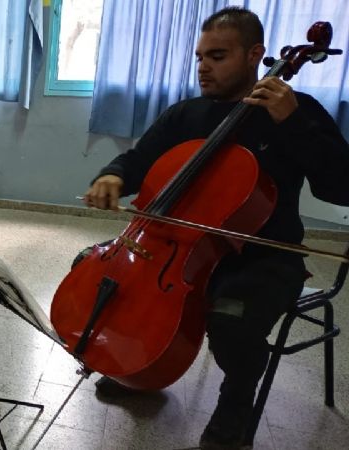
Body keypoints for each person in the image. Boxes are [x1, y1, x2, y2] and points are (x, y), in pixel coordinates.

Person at [83, 7, 349, 450]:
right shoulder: (186, 115)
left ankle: (235, 408)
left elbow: (340, 188)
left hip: (264, 256)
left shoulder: (298, 114)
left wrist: (294, 124)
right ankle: (141, 370)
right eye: (200, 57)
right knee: (110, 282)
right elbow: (138, 160)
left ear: (255, 55)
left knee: (231, 318)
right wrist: (111, 174)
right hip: (179, 247)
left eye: (218, 56)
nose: (204, 67)